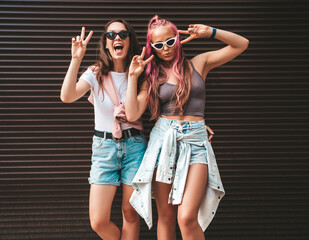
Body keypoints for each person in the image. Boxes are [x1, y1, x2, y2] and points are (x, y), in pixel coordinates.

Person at [125, 15, 249, 240]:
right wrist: (133, 78)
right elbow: (133, 114)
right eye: (159, 45)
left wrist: (209, 31)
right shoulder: (151, 76)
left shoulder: (198, 63)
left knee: (186, 217)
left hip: (196, 142)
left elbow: (241, 44)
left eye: (170, 42)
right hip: (164, 141)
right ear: (151, 47)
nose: (166, 49)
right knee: (166, 216)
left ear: (177, 39)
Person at [60, 19, 152, 240]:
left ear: (130, 40)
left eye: (122, 34)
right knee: (98, 221)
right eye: (111, 35)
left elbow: (133, 115)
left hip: (135, 147)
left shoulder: (142, 76)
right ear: (106, 43)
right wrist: (76, 60)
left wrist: (133, 76)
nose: (117, 38)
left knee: (131, 215)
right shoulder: (95, 73)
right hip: (104, 149)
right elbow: (67, 96)